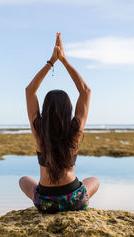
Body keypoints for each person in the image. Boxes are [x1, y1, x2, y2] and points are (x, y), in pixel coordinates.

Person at [19, 32, 100, 213]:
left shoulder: (38, 129)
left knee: (23, 180)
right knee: (94, 181)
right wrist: (63, 60)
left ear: (45, 110)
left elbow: (30, 90)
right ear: (68, 110)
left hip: (45, 201)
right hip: (74, 200)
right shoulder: (75, 130)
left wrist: (51, 62)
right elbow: (85, 91)